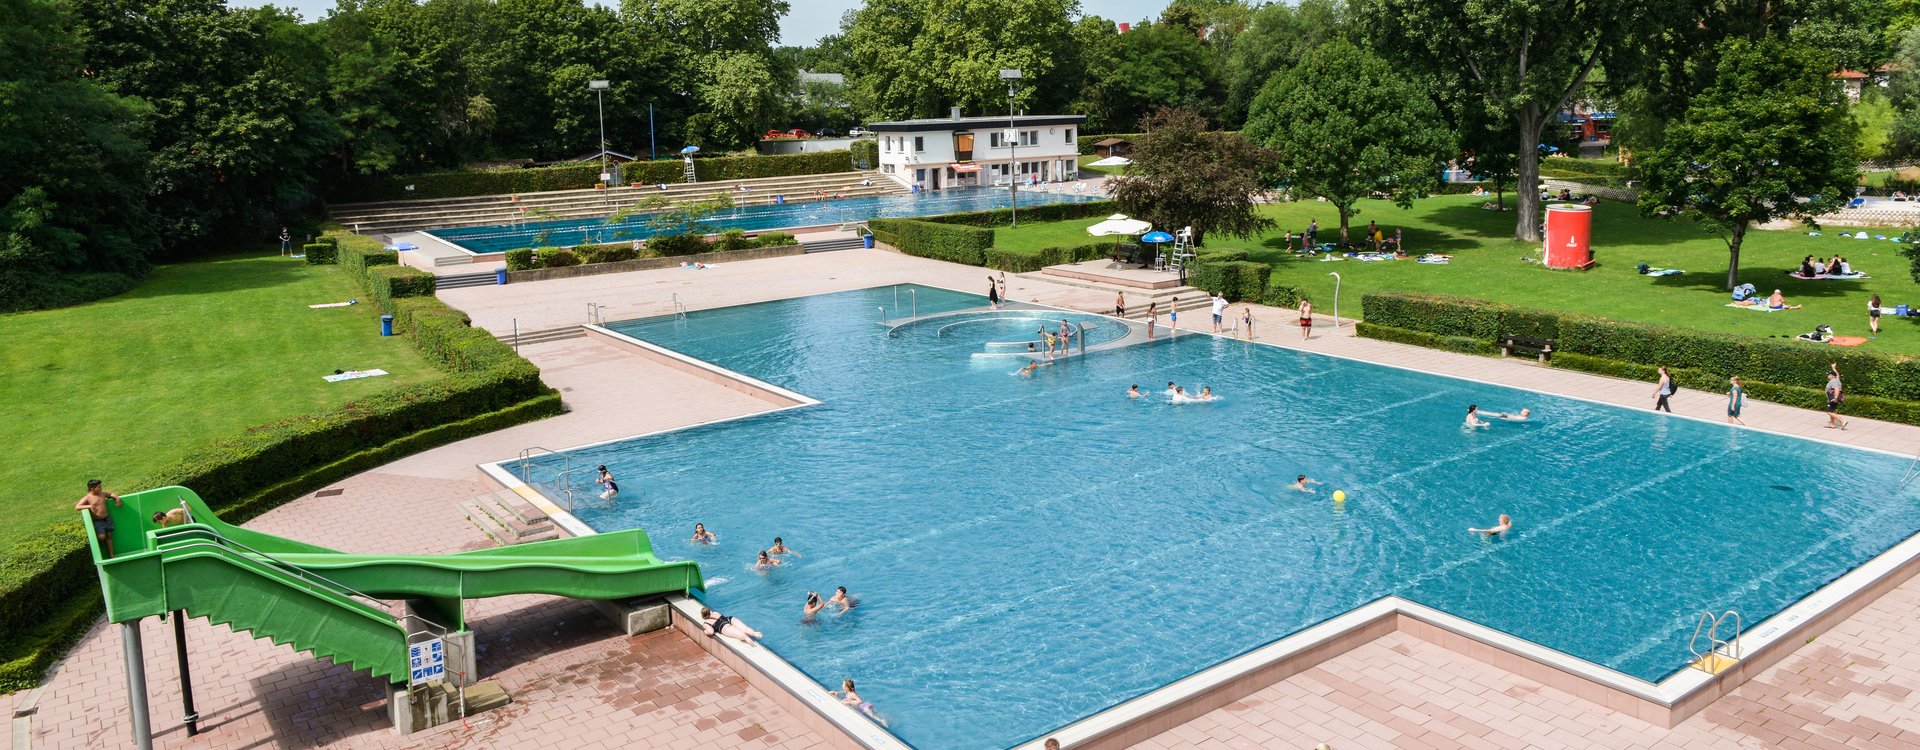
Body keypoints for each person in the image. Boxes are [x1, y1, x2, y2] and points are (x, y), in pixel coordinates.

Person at [76, 480, 124, 557]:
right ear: (92, 489)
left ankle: (111, 555)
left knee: (109, 536)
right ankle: (100, 542)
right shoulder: (88, 498)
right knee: (102, 537)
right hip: (98, 521)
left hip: (107, 519)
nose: (101, 488)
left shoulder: (102, 494)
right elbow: (77, 507)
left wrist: (117, 498)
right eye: (99, 487)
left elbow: (111, 494)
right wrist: (89, 506)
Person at [1826, 363, 1849, 430]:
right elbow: (1837, 375)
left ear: (1832, 376)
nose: (1828, 376)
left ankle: (1843, 421)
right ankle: (1832, 424)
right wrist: (1834, 368)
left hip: (1833, 398)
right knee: (1832, 411)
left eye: (1829, 375)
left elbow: (1836, 389)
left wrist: (1835, 398)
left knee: (1829, 412)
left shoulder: (1832, 381)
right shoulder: (1837, 380)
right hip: (1834, 398)